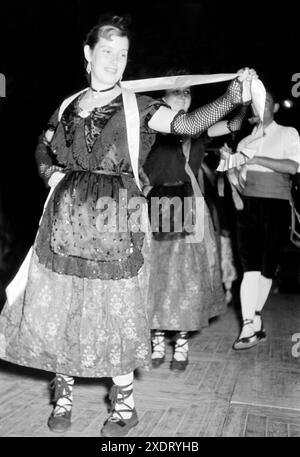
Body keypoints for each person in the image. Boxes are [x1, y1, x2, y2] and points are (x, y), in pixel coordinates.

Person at [0, 14, 257, 437]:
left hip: (116, 223)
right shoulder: (69, 105)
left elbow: (187, 124)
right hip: (63, 221)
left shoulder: (141, 106)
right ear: (88, 54)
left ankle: (124, 406)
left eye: (123, 55)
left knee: (115, 313)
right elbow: (43, 147)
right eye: (107, 52)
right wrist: (51, 176)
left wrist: (234, 94)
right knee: (63, 310)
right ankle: (62, 397)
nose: (115, 62)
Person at [142, 69, 248, 370]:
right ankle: (158, 339)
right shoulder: (149, 127)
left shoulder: (197, 128)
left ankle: (182, 345)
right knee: (156, 276)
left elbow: (234, 123)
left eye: (188, 92)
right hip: (154, 206)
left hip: (190, 206)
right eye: (177, 90)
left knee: (185, 278)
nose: (184, 96)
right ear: (162, 96)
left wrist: (241, 94)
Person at [228, 91, 300, 350]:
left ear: (276, 106)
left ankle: (255, 318)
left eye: (267, 101)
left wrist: (255, 158)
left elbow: (293, 167)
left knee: (268, 267)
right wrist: (232, 171)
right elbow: (240, 181)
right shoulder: (245, 140)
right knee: (249, 265)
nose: (261, 106)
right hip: (249, 205)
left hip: (277, 204)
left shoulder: (288, 133)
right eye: (257, 102)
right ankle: (248, 324)